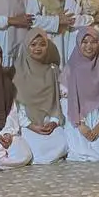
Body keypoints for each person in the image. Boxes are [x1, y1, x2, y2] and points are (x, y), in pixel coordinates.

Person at [60, 26, 99, 161]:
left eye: (93, 42)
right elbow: (65, 100)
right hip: (77, 116)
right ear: (78, 43)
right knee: (79, 150)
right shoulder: (70, 69)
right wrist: (80, 125)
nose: (89, 46)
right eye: (85, 42)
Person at [13, 28, 70, 164]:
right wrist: (30, 125)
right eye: (33, 45)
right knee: (35, 150)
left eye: (42, 44)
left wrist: (53, 122)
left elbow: (58, 101)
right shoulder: (17, 73)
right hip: (27, 124)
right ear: (26, 47)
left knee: (62, 144)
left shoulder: (53, 70)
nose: (38, 48)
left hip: (49, 121)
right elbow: (16, 106)